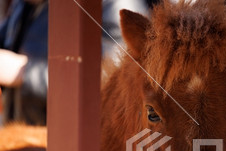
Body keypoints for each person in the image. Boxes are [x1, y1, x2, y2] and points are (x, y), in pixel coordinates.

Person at [0, 0, 148, 126]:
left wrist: (24, 72)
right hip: (24, 141)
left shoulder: (114, 4)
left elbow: (111, 78)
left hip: (77, 150)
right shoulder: (26, 4)